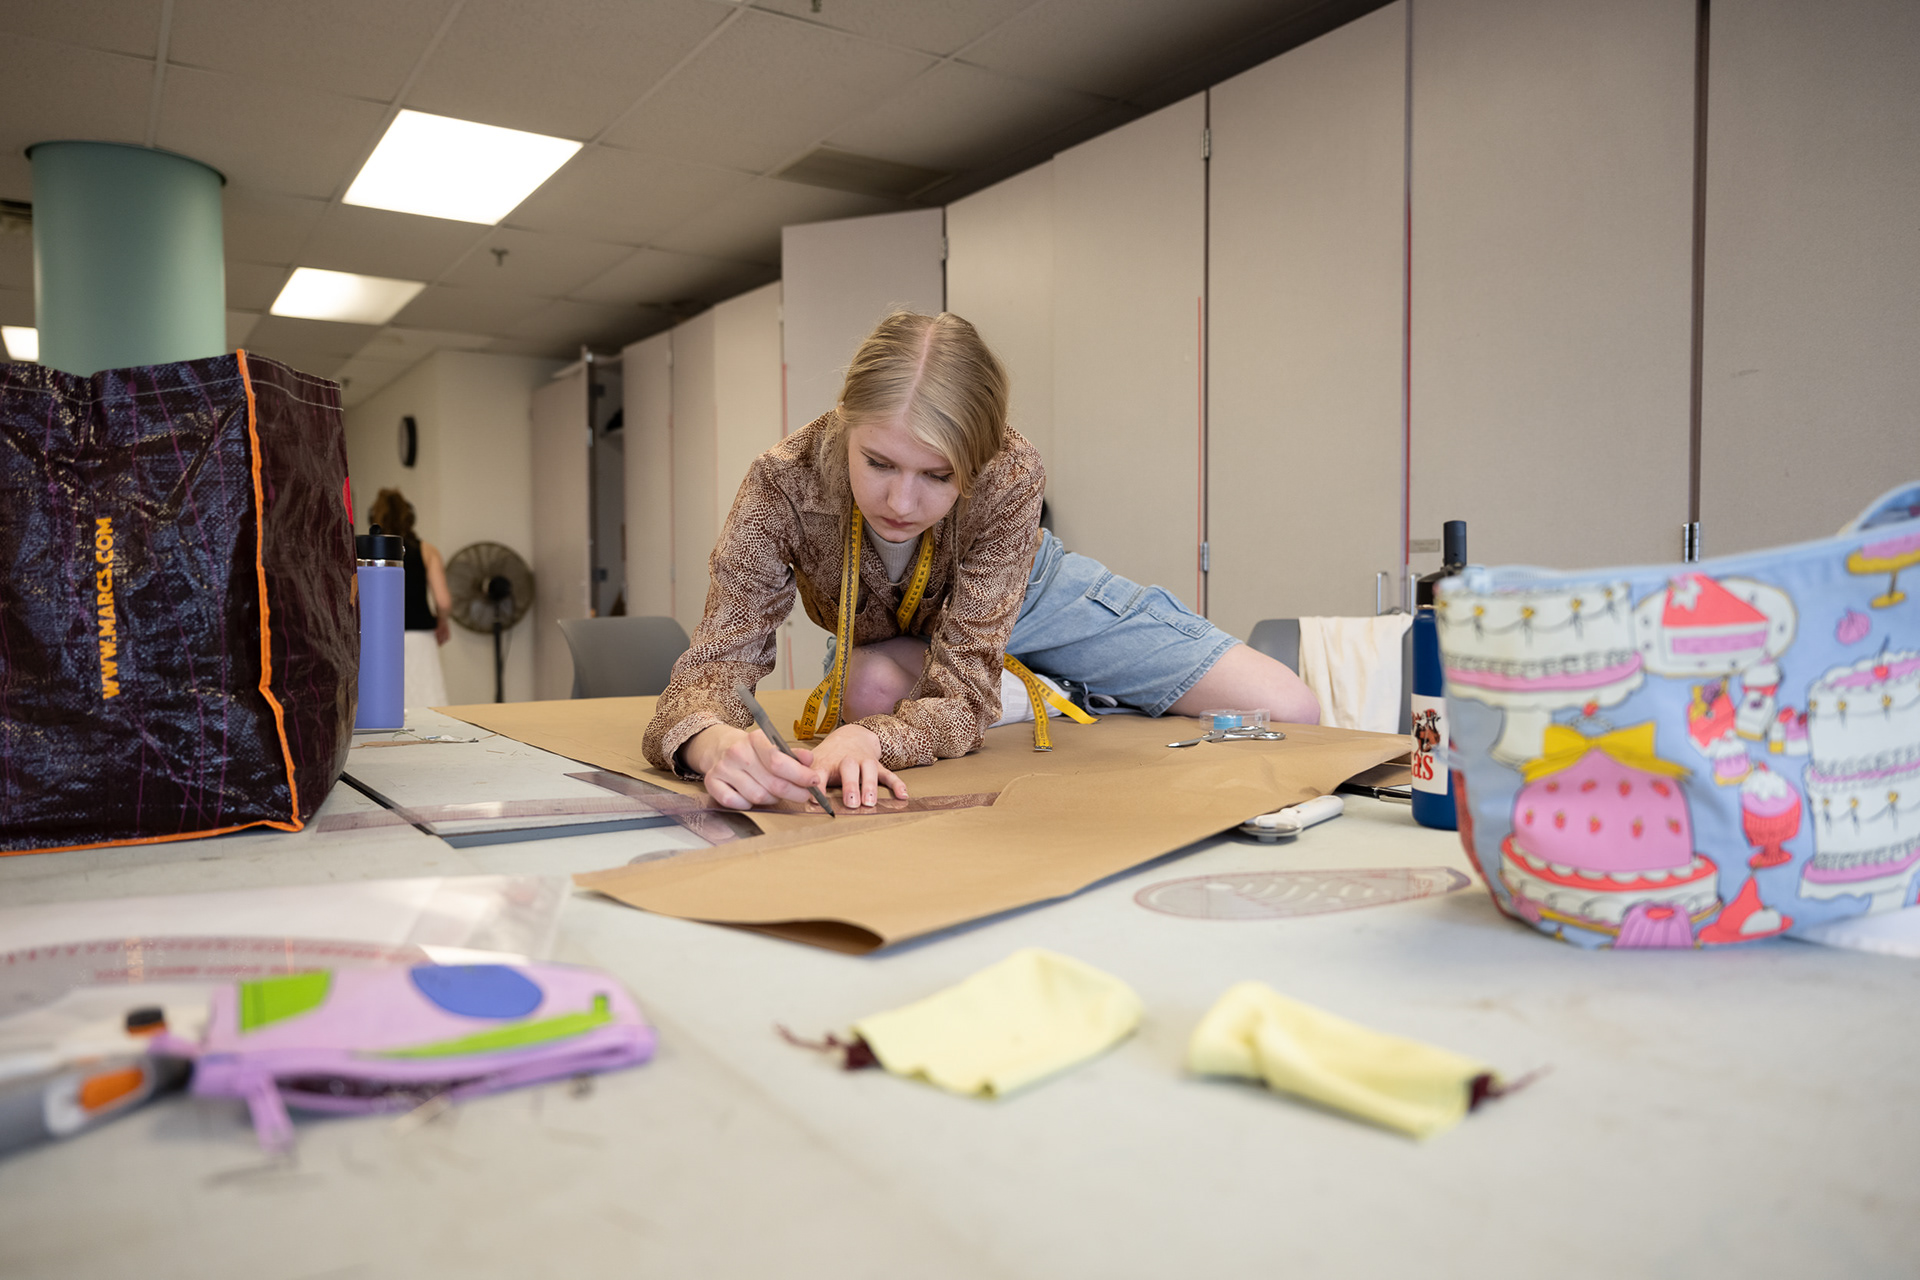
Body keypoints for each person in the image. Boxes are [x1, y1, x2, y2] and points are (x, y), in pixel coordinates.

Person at [642, 311, 1319, 812]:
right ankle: (1030, 696)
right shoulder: (779, 484)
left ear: (979, 458)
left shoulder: (1011, 468)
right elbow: (710, 671)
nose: (901, 501)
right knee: (870, 696)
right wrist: (707, 744)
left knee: (1289, 706)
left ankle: (1045, 683)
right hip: (900, 634)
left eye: (937, 475)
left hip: (1029, 597)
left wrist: (876, 743)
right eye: (877, 463)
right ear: (845, 419)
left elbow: (961, 697)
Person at [368, 488, 453, 710]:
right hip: (420, 637)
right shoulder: (427, 550)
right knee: (427, 701)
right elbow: (443, 601)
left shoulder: (366, 553)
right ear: (410, 516)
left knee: (384, 703)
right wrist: (442, 621)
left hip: (379, 637)